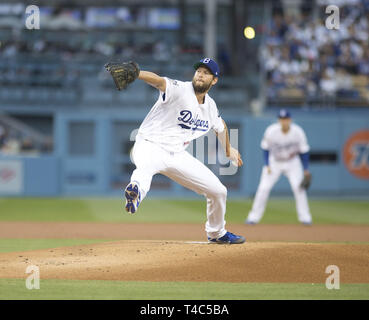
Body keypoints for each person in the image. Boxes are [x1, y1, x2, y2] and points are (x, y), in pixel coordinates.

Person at [124, 58, 246, 244]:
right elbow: (158, 81)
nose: (200, 74)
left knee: (218, 191)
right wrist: (138, 74)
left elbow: (221, 127)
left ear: (214, 80)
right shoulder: (180, 89)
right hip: (150, 144)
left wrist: (229, 151)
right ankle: (135, 193)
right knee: (144, 171)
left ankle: (216, 233)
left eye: (206, 73)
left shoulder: (211, 107)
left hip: (177, 155)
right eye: (198, 71)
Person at [245, 109, 313, 225]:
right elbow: (265, 149)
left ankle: (305, 218)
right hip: (274, 162)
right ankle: (253, 217)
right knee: (263, 188)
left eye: (286, 119)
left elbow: (304, 151)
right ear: (279, 120)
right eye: (281, 119)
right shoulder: (271, 131)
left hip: (292, 162)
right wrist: (267, 165)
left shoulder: (298, 132)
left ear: (290, 120)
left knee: (299, 188)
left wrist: (306, 169)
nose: (284, 121)